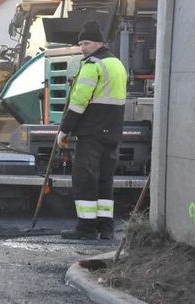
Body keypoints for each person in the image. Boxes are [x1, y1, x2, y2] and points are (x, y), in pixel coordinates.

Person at [58, 21, 127, 240]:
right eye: (80, 43)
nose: (82, 48)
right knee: (105, 179)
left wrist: (64, 130)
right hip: (113, 131)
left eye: (86, 43)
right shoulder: (117, 64)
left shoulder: (92, 65)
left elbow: (78, 102)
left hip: (92, 132)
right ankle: (106, 228)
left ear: (99, 43)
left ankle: (86, 228)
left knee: (85, 178)